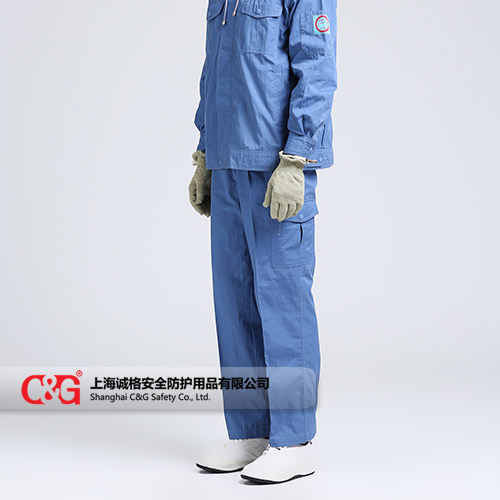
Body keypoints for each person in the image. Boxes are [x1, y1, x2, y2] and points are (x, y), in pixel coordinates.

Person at [189, 0, 337, 484]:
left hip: (277, 166)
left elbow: (317, 66)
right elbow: (214, 70)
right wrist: (204, 154)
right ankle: (250, 431)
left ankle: (295, 441)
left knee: (283, 305)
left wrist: (297, 157)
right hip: (228, 163)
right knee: (235, 305)